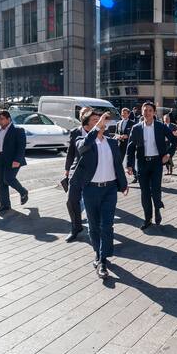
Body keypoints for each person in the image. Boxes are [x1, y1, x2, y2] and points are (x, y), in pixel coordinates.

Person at [69, 111, 129, 278]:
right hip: (91, 190)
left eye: (102, 120)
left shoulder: (111, 142)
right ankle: (97, 252)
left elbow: (117, 165)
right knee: (94, 226)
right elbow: (82, 148)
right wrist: (96, 128)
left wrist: (123, 184)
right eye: (96, 121)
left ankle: (102, 260)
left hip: (109, 189)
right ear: (88, 126)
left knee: (106, 226)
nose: (101, 122)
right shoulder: (83, 141)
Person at [126, 102, 177, 229]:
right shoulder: (136, 128)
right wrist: (129, 164)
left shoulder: (160, 126)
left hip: (157, 163)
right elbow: (131, 147)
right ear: (142, 112)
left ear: (154, 113)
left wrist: (169, 155)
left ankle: (158, 209)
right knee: (145, 193)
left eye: (150, 110)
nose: (147, 112)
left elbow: (174, 140)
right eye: (145, 110)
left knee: (155, 191)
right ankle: (147, 219)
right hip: (142, 163)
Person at [63, 107, 94, 242]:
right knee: (71, 201)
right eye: (82, 113)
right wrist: (67, 170)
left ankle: (95, 230)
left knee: (91, 204)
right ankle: (76, 227)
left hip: (93, 173)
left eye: (86, 113)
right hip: (76, 172)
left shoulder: (99, 132)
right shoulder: (75, 132)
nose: (83, 115)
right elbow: (71, 152)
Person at [0, 110, 29, 213]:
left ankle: (23, 191)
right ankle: (4, 205)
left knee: (8, 179)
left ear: (8, 119)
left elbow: (21, 147)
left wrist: (17, 160)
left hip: (12, 160)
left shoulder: (18, 130)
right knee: (1, 183)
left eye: (1, 119)